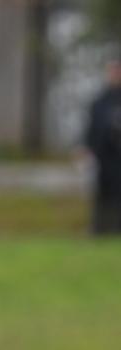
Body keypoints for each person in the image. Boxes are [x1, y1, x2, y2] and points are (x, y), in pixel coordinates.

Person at [85, 58, 121, 235]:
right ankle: (99, 230)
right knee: (101, 194)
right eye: (112, 71)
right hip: (103, 156)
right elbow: (91, 128)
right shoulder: (99, 101)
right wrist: (85, 148)